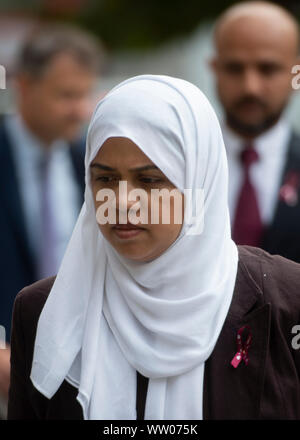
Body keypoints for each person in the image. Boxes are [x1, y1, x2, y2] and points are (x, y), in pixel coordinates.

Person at [7, 75, 300, 420]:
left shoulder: (284, 299)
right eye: (104, 178)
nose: (121, 201)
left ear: (198, 181)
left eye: (149, 180)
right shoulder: (42, 310)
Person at [0, 24, 101, 413]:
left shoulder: (91, 165)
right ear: (25, 86)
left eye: (85, 94)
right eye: (66, 95)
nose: (81, 109)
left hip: (73, 372)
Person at [210, 1, 300, 262]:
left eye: (267, 69)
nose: (250, 87)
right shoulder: (174, 165)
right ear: (214, 69)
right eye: (235, 68)